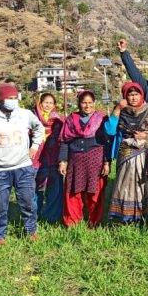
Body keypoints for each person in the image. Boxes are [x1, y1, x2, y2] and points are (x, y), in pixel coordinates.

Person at [0, 82, 44, 245]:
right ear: (1, 99)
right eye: (9, 98)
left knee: (28, 202)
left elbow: (39, 128)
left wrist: (34, 146)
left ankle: (31, 231)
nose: (12, 101)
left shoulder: (25, 114)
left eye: (15, 97)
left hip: (23, 167)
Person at [106, 82, 148, 224]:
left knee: (142, 184)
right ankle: (124, 215)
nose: (133, 98)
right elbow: (110, 131)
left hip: (145, 154)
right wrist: (118, 108)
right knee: (124, 184)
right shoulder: (121, 111)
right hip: (125, 155)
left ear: (141, 95)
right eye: (130, 94)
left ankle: (144, 214)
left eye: (136, 94)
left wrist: (146, 136)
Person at [58, 91, 111, 228]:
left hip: (95, 159)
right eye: (84, 103)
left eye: (90, 103)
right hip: (76, 160)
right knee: (73, 192)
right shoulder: (71, 119)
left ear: (94, 103)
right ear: (79, 104)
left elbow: (107, 142)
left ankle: (94, 222)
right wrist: (63, 161)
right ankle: (72, 222)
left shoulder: (101, 119)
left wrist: (107, 162)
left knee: (94, 192)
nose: (87, 106)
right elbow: (64, 141)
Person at [31, 92, 64, 223]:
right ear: (40, 103)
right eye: (46, 102)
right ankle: (35, 215)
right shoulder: (32, 118)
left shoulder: (59, 120)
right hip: (36, 159)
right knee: (35, 187)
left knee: (54, 186)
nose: (48, 105)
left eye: (51, 103)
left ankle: (52, 216)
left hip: (54, 157)